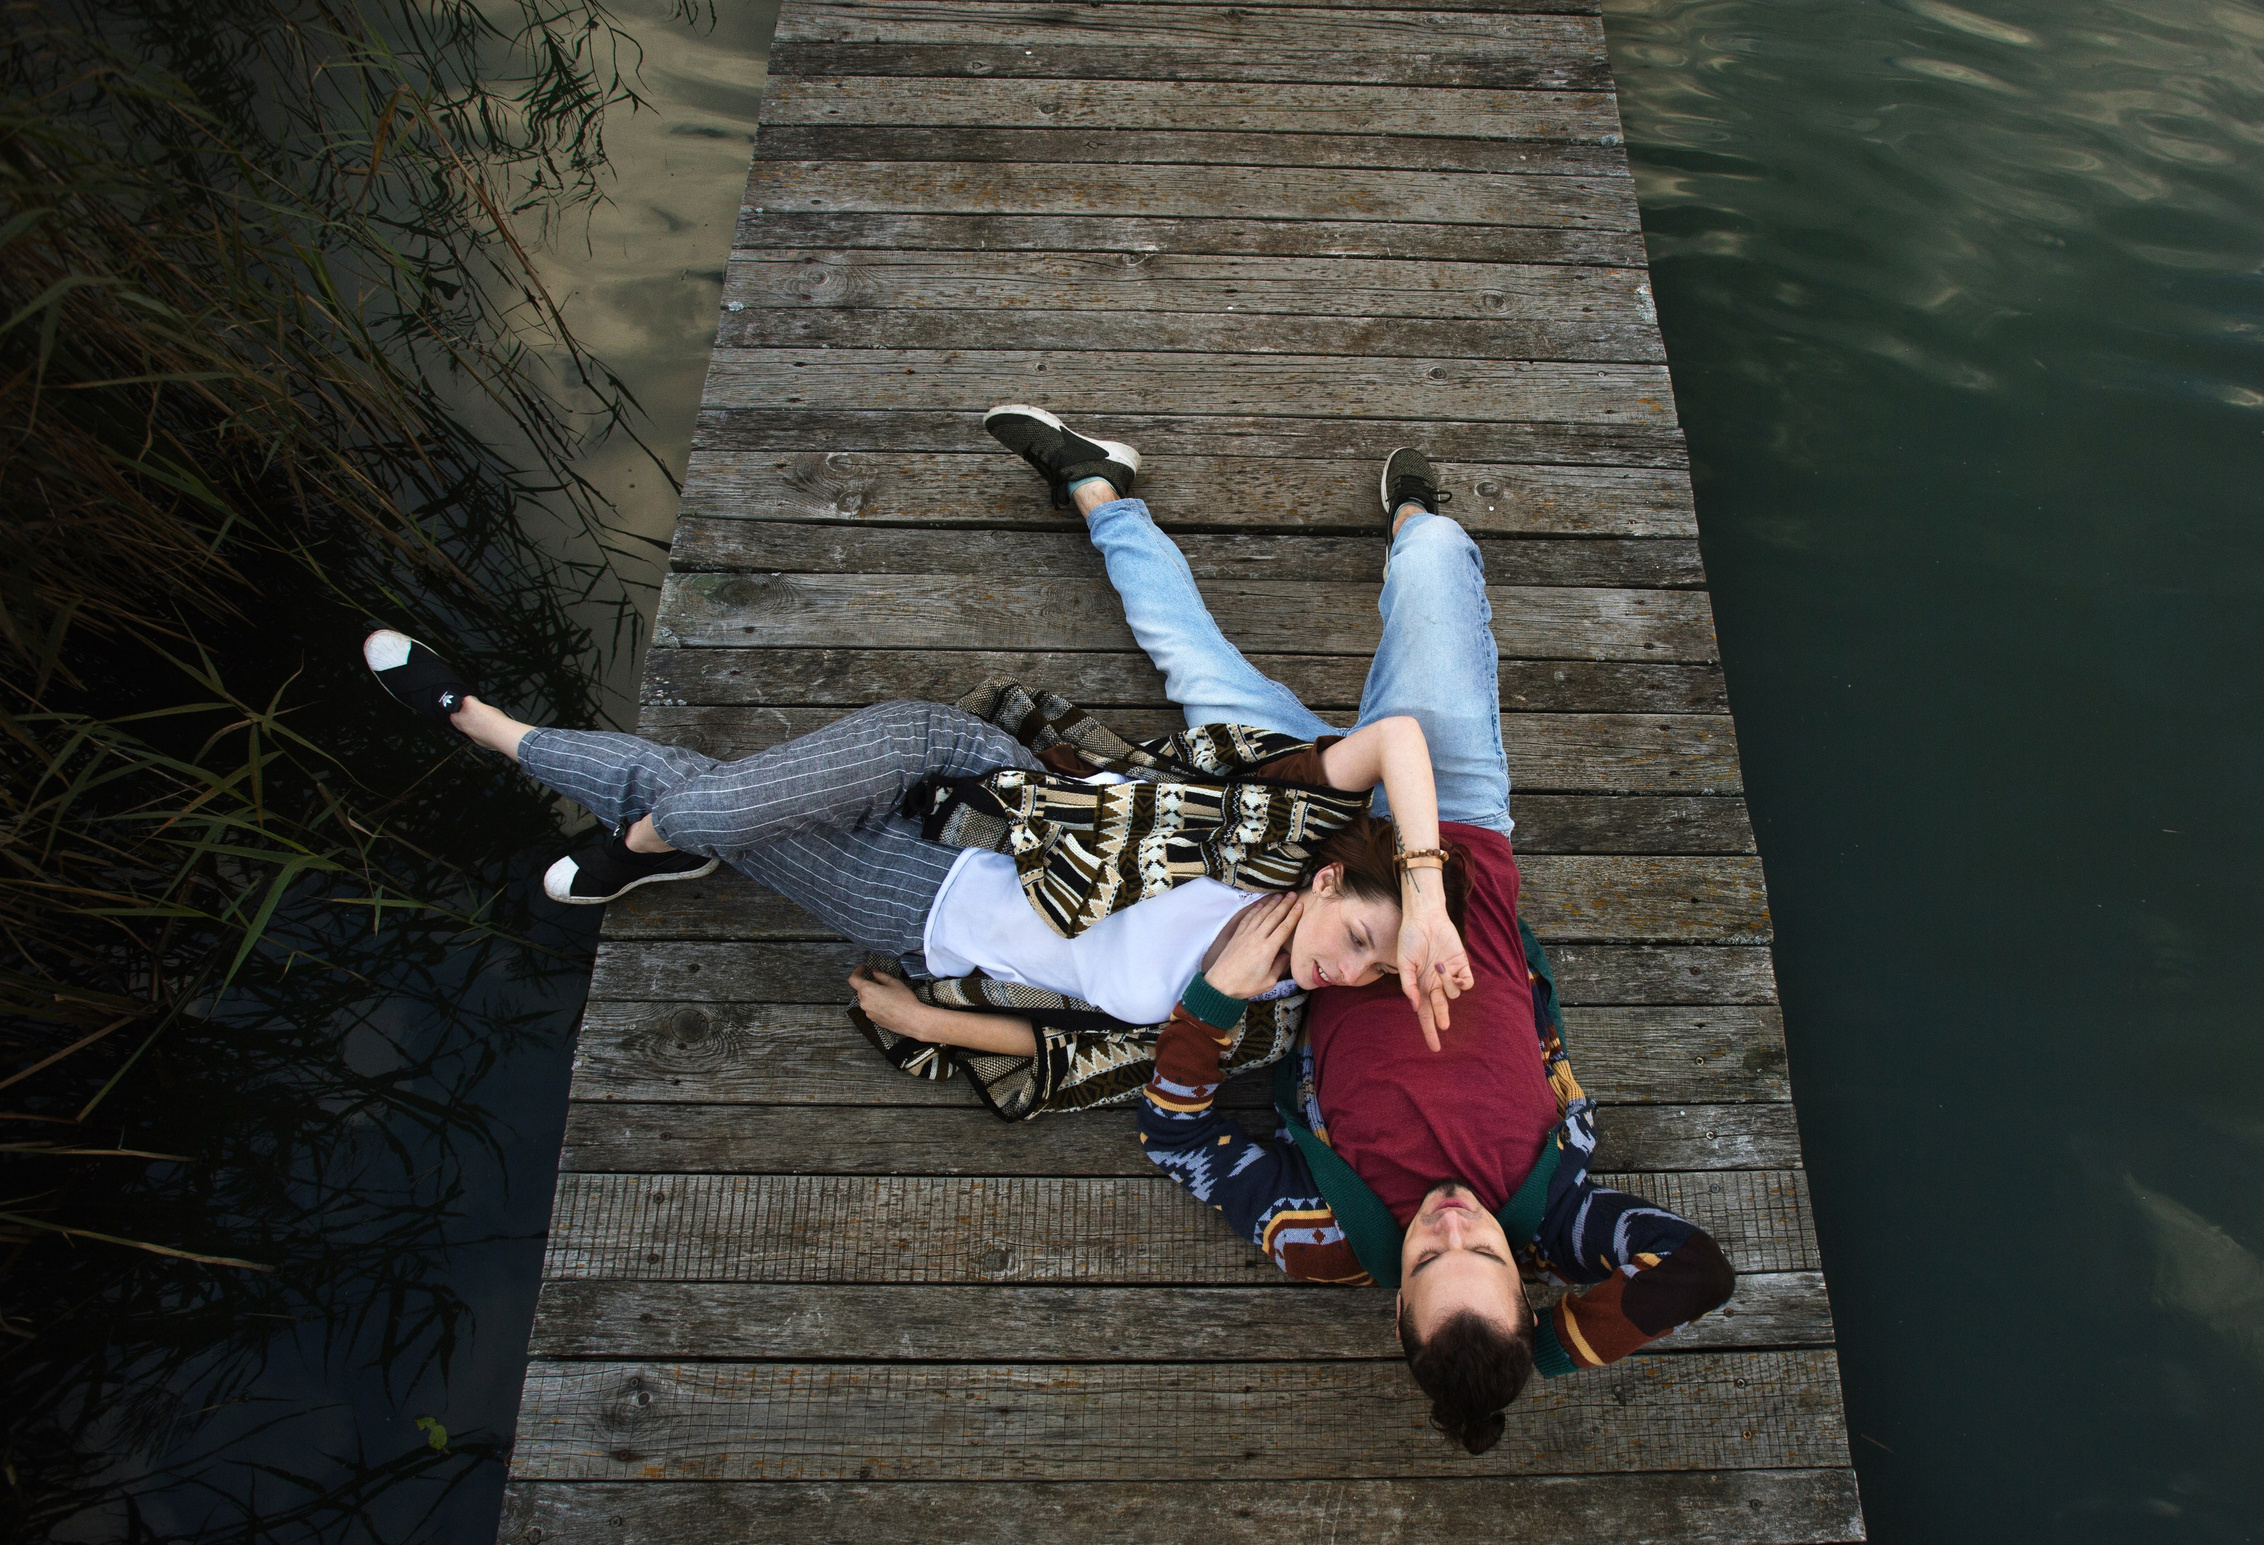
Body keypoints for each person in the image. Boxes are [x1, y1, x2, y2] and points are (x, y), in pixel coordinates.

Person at [929, 421, 1739, 1456]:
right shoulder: (1563, 1216)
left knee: (1185, 655)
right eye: (1482, 1256)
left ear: (1396, 1302)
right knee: (1436, 554)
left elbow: (1176, 1134)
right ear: (1524, 1282)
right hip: (1453, 814)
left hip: (1298, 859)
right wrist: (1524, 1358)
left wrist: (1217, 999)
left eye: (1427, 1258)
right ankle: (1407, 518)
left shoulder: (1323, 1238)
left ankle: (1098, 484)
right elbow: (1698, 1274)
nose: (1451, 1223)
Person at [357, 406, 1472, 1100]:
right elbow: (1399, 741)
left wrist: (929, 1019)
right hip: (976, 781)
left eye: (1372, 971)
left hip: (916, 905)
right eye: (1361, 935)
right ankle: (637, 827)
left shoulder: (1260, 1031)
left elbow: (1084, 1059)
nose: (1351, 968)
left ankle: (502, 735)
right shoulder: (1285, 841)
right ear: (1336, 881)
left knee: (710, 799)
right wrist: (1419, 898)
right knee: (737, 804)